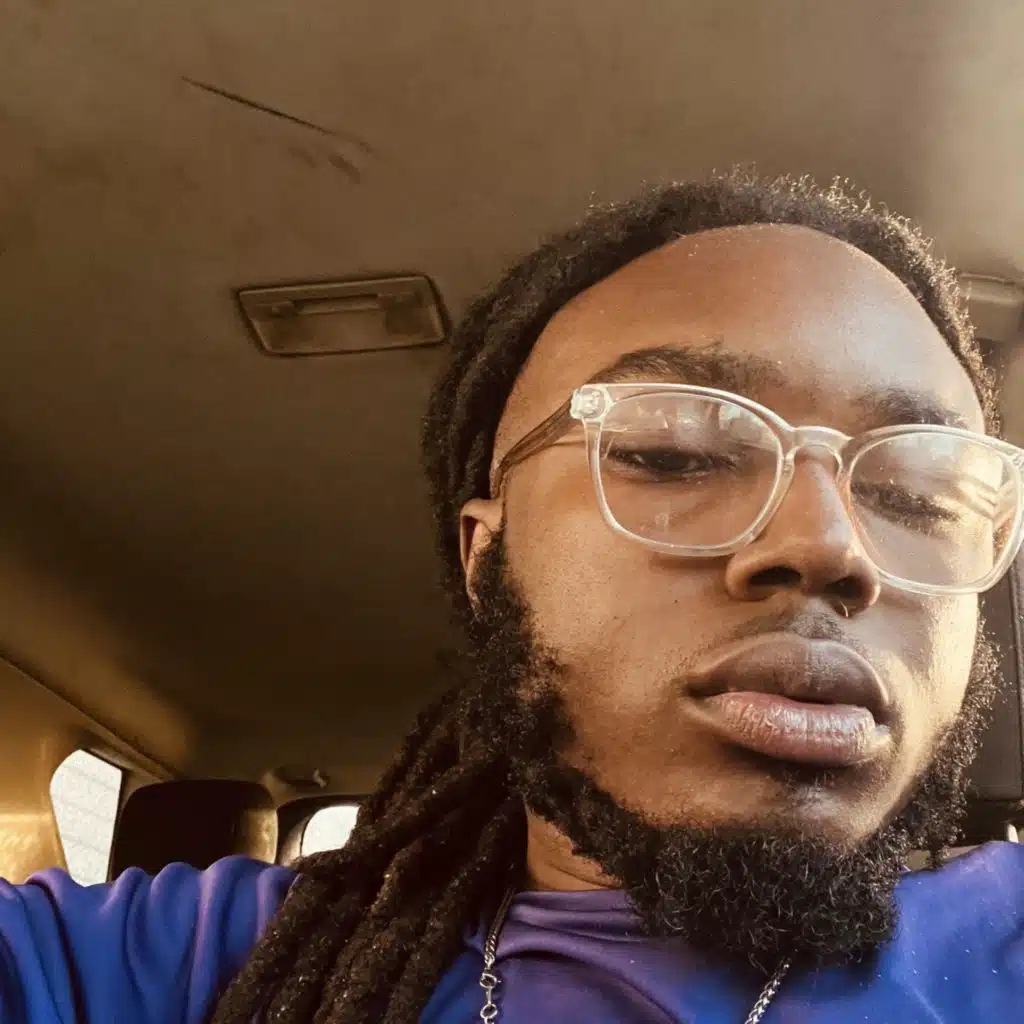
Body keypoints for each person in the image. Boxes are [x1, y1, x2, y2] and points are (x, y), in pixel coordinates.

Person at [2, 172, 1023, 1024]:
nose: (831, 546)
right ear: (486, 560)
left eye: (920, 495)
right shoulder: (164, 964)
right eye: (674, 452)